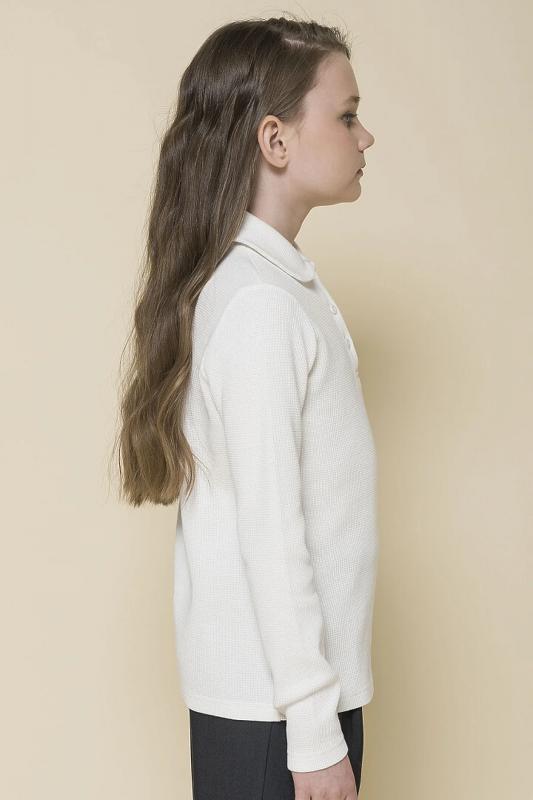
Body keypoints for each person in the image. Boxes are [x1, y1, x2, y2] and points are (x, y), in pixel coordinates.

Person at [114, 14, 377, 800]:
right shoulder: (260, 304)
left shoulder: (278, 285)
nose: (365, 137)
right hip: (278, 716)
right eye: (347, 116)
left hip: (293, 703)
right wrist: (313, 729)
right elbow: (270, 530)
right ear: (275, 140)